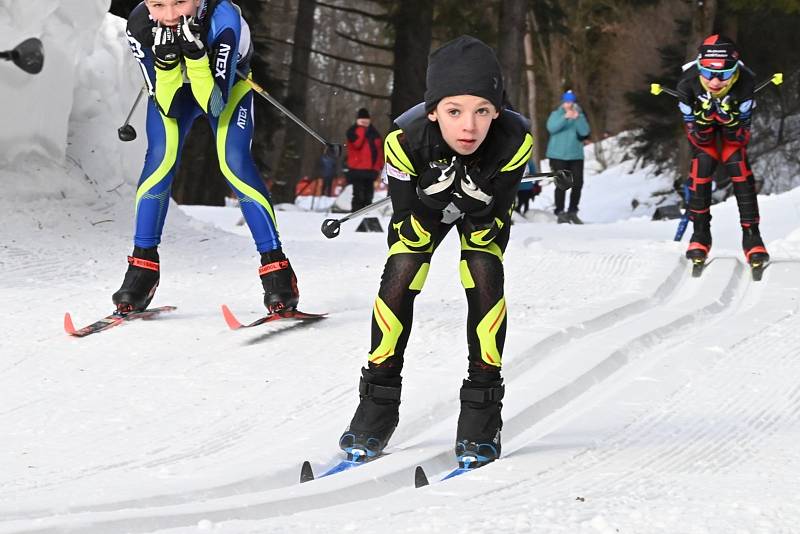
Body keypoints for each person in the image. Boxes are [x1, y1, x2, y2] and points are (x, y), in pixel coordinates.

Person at [337, 36, 533, 468]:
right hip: (424, 206)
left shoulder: (515, 139)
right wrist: (430, 200)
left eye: (483, 111)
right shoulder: (403, 141)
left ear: (497, 111)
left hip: (480, 213)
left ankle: (483, 410)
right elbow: (407, 223)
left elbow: (494, 219)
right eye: (454, 111)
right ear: (433, 110)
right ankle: (378, 404)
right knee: (401, 272)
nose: (469, 127)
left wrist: (475, 201)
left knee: (484, 275)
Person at [115, 0, 299, 314]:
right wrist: (168, 63)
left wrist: (198, 58)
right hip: (173, 88)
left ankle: (276, 266)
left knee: (234, 162)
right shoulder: (140, 24)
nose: (171, 16)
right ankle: (143, 266)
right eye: (158, 4)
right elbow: (169, 105)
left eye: (180, 2)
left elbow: (213, 103)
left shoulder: (223, 20)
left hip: (225, 87)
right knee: (159, 160)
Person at [677, 34, 768, 266]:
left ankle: (752, 236)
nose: (715, 82)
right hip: (704, 138)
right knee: (703, 164)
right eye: (707, 72)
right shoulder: (687, 84)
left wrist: (729, 120)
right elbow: (697, 138)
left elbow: (740, 138)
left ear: (735, 70)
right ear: (698, 67)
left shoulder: (746, 83)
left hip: (731, 137)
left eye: (724, 74)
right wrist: (706, 119)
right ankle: (700, 234)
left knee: (738, 163)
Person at [545, 90, 590, 224]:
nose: (569, 104)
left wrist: (577, 118)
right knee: (561, 183)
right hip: (557, 155)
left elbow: (585, 131)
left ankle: (573, 211)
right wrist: (565, 117)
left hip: (576, 155)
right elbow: (551, 128)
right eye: (567, 102)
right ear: (563, 103)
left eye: (571, 102)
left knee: (578, 183)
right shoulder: (556, 114)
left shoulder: (580, 115)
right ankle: (560, 212)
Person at [345, 108, 383, 212]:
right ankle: (356, 214)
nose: (365, 123)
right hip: (357, 168)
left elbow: (378, 151)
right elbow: (357, 144)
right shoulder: (353, 131)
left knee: (368, 196)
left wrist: (379, 166)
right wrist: (362, 129)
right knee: (358, 195)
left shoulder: (374, 133)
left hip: (370, 170)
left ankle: (366, 215)